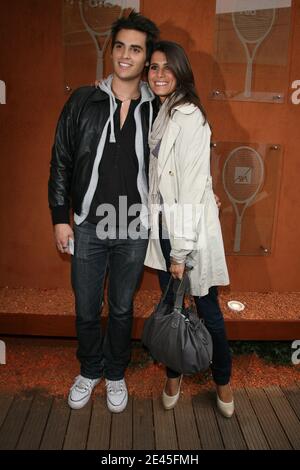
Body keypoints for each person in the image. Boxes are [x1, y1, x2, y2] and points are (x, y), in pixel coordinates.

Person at [48, 12, 159, 413]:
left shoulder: (157, 109)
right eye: (120, 46)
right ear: (110, 50)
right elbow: (60, 161)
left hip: (133, 227)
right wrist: (62, 217)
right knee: (86, 305)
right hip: (90, 225)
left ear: (146, 58)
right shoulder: (83, 100)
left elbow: (178, 164)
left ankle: (115, 373)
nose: (125, 55)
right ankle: (89, 369)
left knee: (123, 307)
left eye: (136, 48)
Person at [144, 41, 234, 418]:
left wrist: (179, 251)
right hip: (167, 225)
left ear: (181, 72)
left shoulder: (188, 116)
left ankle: (224, 384)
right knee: (172, 307)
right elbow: (187, 176)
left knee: (206, 307)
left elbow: (190, 183)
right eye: (153, 67)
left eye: (167, 67)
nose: (159, 74)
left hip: (186, 231)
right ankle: (174, 374)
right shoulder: (164, 112)